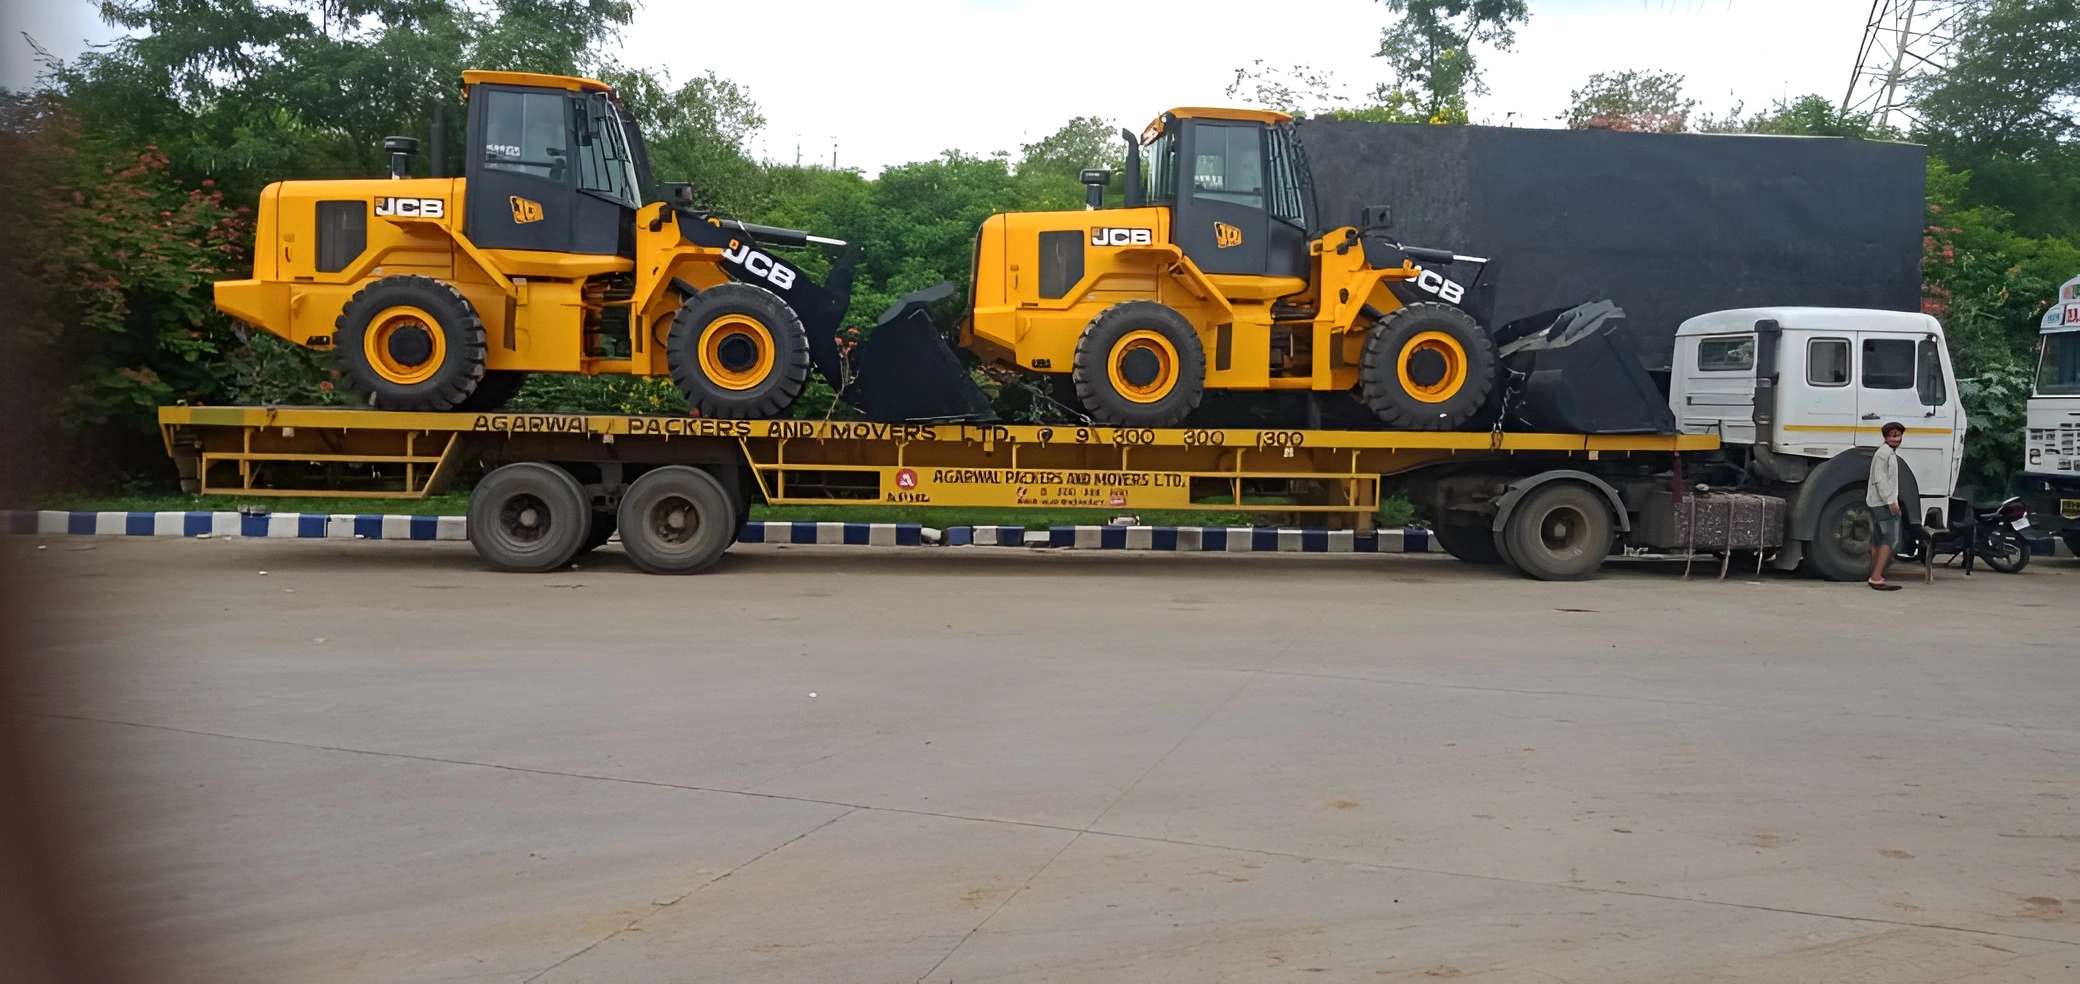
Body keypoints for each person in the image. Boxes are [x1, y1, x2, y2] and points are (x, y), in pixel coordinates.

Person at [1867, 421, 1906, 590]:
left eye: (1898, 435)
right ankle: (1876, 577)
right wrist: (1891, 501)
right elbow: (1881, 480)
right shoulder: (1885, 454)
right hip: (1883, 503)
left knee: (1877, 540)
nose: (1895, 439)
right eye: (1892, 436)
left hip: (1877, 502)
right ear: (1885, 437)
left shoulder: (1885, 452)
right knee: (1888, 540)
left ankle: (1874, 575)